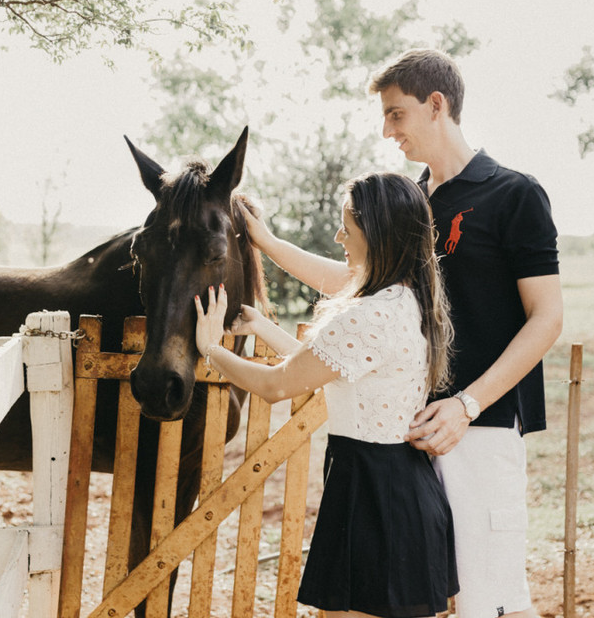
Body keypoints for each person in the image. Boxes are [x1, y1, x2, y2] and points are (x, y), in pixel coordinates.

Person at [239, 48, 563, 618]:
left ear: (436, 105)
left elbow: (548, 317)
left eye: (396, 114)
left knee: (488, 601)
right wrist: (266, 244)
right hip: (403, 441)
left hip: (478, 426)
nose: (387, 130)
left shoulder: (514, 194)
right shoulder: (413, 200)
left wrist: (466, 405)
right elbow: (360, 281)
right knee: (423, 602)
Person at [195, 172, 459, 618]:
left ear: (377, 238)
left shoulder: (369, 315)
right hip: (395, 487)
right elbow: (331, 367)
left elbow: (278, 385)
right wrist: (262, 327)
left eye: (347, 229)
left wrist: (210, 349)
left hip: (376, 496)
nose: (338, 237)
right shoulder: (404, 298)